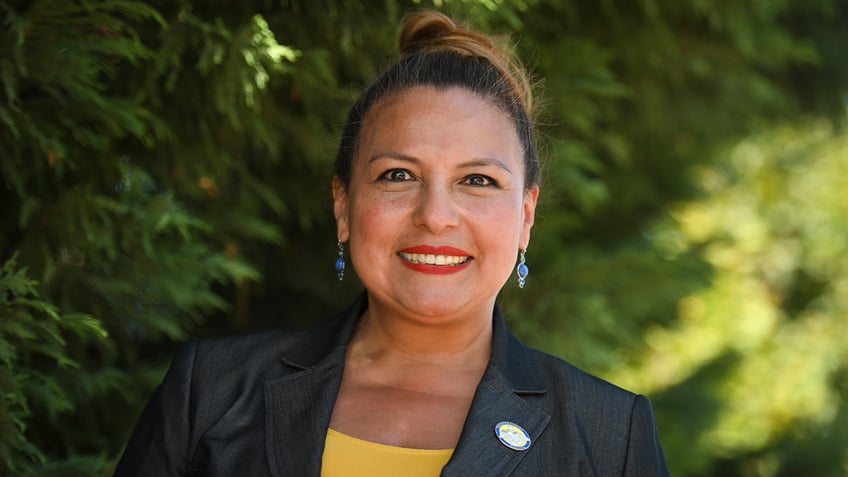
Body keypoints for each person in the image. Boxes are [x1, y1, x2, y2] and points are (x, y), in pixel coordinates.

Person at [115, 10, 670, 477]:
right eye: (397, 175)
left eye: (478, 180)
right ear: (343, 205)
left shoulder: (609, 436)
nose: (435, 217)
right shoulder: (209, 392)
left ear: (526, 216)